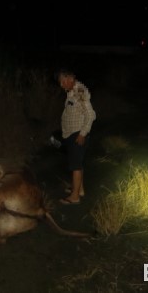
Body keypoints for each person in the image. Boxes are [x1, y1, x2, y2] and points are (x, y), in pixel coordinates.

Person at [54, 69, 96, 205]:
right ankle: (79, 190)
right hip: (71, 134)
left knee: (75, 166)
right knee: (77, 163)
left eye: (63, 81)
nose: (61, 84)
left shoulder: (79, 91)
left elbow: (91, 115)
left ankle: (75, 197)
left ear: (71, 78)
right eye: (60, 81)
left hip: (77, 135)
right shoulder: (72, 91)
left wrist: (83, 133)